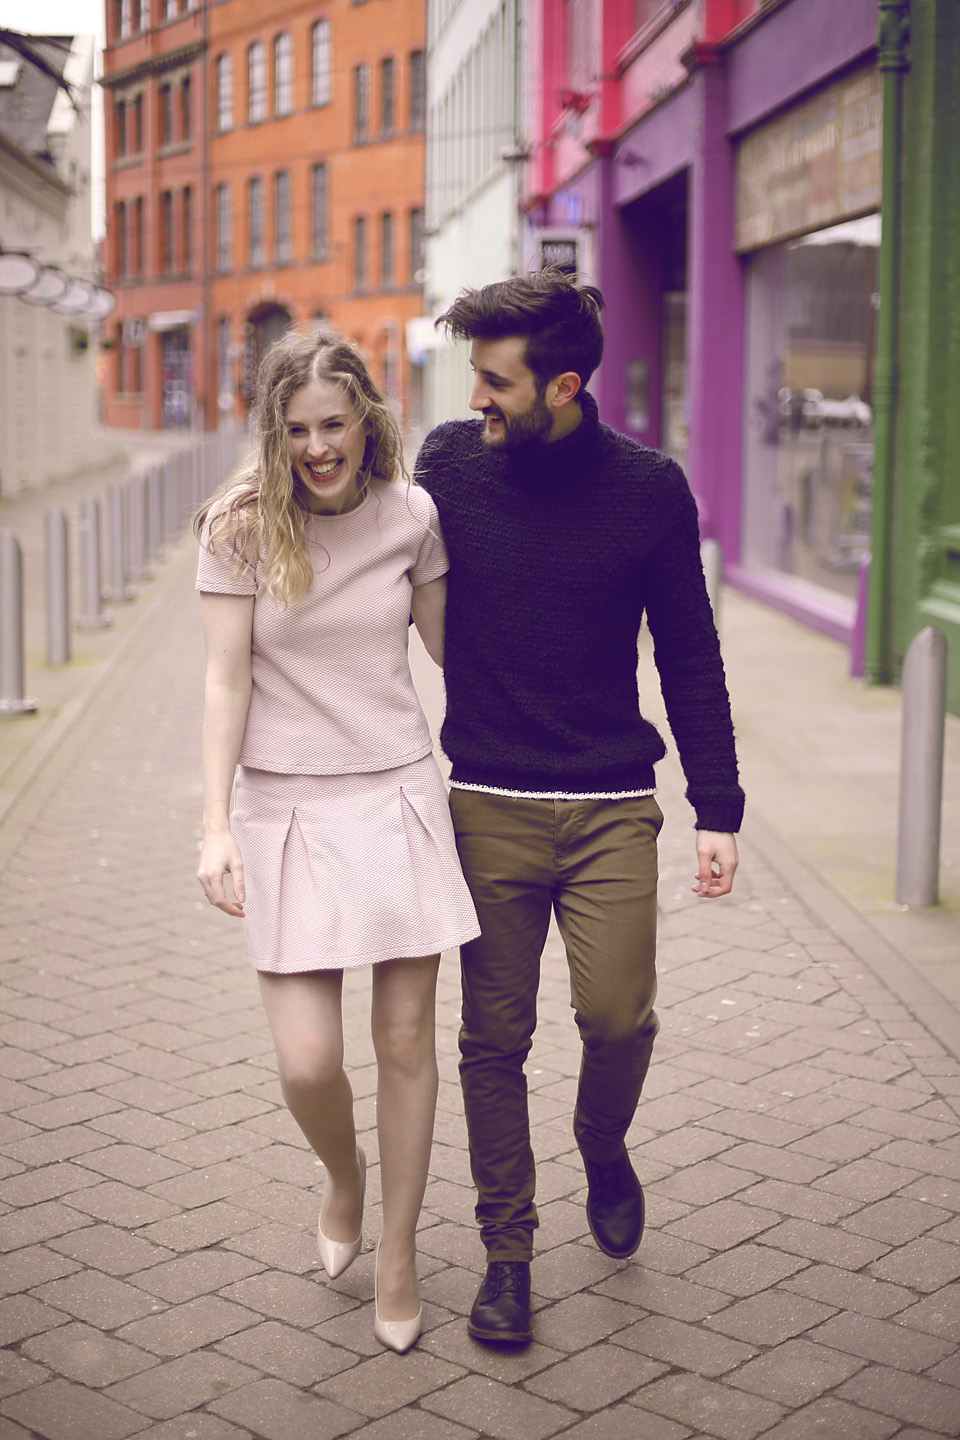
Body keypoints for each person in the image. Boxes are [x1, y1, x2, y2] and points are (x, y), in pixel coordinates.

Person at [414, 270, 744, 1346]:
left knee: (615, 1017)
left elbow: (690, 655)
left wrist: (718, 806)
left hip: (609, 804)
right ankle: (507, 1253)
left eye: (497, 381)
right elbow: (357, 547)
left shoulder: (650, 490)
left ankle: (603, 1145)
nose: (478, 398)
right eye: (475, 375)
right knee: (491, 1041)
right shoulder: (450, 466)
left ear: (562, 385)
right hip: (487, 804)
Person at [195, 328, 480, 1354]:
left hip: (397, 790)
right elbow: (226, 681)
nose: (320, 447)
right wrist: (216, 824)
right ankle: (344, 1177)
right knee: (310, 1058)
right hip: (285, 808)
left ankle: (397, 1252)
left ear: (368, 416)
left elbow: (456, 652)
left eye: (335, 423)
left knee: (405, 1041)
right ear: (275, 433)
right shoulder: (238, 527)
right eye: (299, 429)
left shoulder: (413, 515)